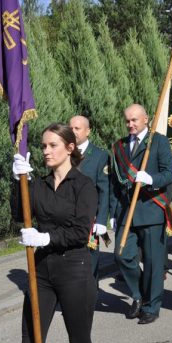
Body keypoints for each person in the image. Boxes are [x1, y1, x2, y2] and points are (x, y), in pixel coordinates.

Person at [0, 124, 98, 343]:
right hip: (41, 271)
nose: (46, 151)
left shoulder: (84, 185)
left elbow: (82, 231)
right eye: (43, 146)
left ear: (69, 147)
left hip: (75, 268)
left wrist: (48, 236)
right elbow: (17, 215)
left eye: (52, 145)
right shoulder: (36, 185)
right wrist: (17, 182)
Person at [109, 104, 172, 324]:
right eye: (127, 121)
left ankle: (151, 306)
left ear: (146, 119)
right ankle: (139, 294)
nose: (130, 125)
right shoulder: (119, 146)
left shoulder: (158, 142)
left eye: (135, 120)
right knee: (121, 255)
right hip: (127, 211)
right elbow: (115, 184)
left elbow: (169, 174)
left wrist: (150, 179)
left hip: (151, 209)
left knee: (153, 263)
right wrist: (113, 212)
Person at [69, 115, 109, 280]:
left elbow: (104, 189)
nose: (73, 132)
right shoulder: (64, 152)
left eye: (77, 129)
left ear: (88, 131)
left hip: (89, 217)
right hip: (67, 215)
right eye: (70, 128)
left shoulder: (99, 155)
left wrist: (101, 219)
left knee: (90, 260)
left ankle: (91, 293)